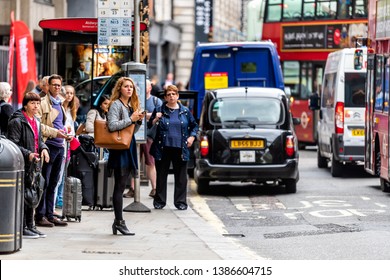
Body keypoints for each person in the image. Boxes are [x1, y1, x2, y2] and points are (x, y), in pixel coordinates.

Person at [7, 92, 50, 238]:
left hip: (35, 164)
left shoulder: (36, 121)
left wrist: (44, 149)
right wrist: (28, 154)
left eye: (37, 103)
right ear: (25, 105)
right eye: (32, 103)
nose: (36, 106)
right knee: (24, 196)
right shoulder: (17, 121)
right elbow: (13, 144)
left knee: (32, 194)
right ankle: (23, 226)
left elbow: (41, 140)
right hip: (23, 164)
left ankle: (31, 225)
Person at [148, 85, 198, 210]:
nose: (171, 96)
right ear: (165, 97)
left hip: (180, 148)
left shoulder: (185, 111)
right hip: (163, 147)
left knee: (181, 177)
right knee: (161, 176)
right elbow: (149, 125)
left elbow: (194, 126)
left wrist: (192, 137)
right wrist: (155, 118)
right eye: (168, 94)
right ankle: (159, 201)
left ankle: (180, 202)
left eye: (173, 94)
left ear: (177, 96)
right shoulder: (159, 109)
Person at [107, 77, 145, 235]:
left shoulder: (130, 105)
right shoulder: (115, 104)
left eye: (131, 87)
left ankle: (118, 222)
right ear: (120, 89)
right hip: (119, 148)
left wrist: (138, 122)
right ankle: (119, 222)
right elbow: (112, 126)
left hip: (128, 146)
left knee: (123, 184)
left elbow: (131, 131)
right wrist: (131, 119)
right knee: (120, 186)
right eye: (126, 86)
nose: (129, 89)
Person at [35, 74, 70, 227]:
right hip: (48, 146)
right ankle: (40, 215)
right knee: (45, 181)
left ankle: (50, 213)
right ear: (47, 86)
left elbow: (59, 125)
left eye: (58, 85)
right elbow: (38, 126)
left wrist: (65, 133)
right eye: (54, 84)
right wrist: (56, 133)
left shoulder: (60, 104)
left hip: (60, 146)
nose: (56, 87)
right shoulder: (42, 103)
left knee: (54, 182)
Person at [123, 79, 162, 198]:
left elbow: (160, 115)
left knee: (150, 162)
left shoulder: (156, 101)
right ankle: (133, 189)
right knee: (134, 163)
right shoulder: (134, 100)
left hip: (150, 136)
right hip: (134, 135)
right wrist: (149, 115)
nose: (143, 88)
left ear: (150, 88)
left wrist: (146, 115)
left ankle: (155, 188)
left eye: (146, 86)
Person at [54, 85, 77, 210]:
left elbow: (71, 127)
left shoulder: (71, 110)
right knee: (59, 174)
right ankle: (58, 198)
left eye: (71, 93)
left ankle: (60, 197)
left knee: (63, 173)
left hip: (68, 142)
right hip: (60, 142)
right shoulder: (59, 109)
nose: (69, 96)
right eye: (67, 93)